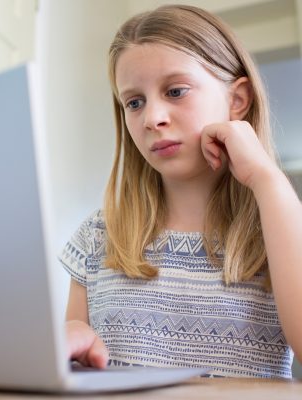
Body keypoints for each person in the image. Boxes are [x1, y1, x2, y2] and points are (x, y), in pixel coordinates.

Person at [59, 4, 302, 378]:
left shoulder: (278, 229)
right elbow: (74, 373)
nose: (152, 118)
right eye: (134, 102)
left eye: (175, 91)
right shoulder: (97, 237)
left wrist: (267, 180)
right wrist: (68, 344)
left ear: (237, 100)